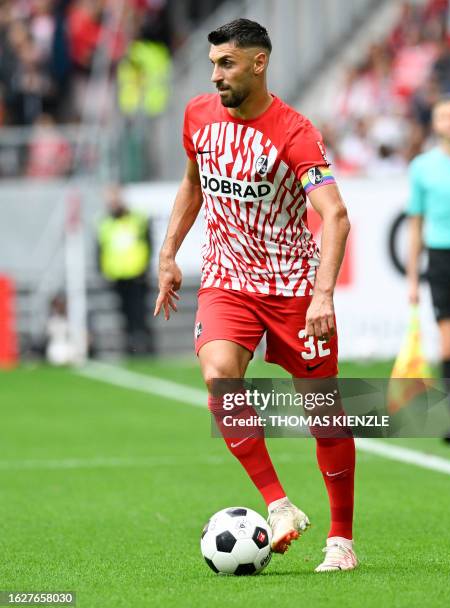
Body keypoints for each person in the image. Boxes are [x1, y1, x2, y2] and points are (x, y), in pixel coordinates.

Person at [154, 19, 356, 572]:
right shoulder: (198, 115)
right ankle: (279, 504)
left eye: (227, 64)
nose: (216, 75)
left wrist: (322, 296)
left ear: (259, 64)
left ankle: (342, 540)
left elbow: (335, 215)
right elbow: (195, 182)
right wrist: (170, 252)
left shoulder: (293, 132)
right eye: (214, 64)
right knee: (220, 373)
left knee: (325, 413)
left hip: (292, 285)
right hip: (227, 281)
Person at [407, 95, 450, 442]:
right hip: (441, 261)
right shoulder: (422, 167)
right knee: (448, 344)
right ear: (436, 123)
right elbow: (416, 226)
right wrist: (413, 278)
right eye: (446, 116)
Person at [98, 184, 153, 355]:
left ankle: (146, 349)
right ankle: (131, 349)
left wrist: (145, 268)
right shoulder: (105, 223)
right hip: (118, 277)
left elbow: (148, 244)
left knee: (140, 314)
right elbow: (101, 249)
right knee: (126, 316)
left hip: (137, 275)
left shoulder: (137, 219)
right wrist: (104, 272)